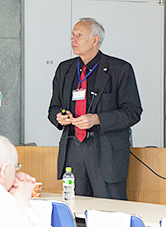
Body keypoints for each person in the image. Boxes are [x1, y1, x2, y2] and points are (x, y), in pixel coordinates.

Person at [48, 18, 142, 200]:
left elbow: (132, 112)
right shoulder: (64, 70)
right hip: (73, 151)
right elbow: (54, 108)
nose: (72, 40)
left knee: (110, 213)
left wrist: (97, 119)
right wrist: (59, 117)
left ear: (95, 40)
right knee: (76, 209)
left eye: (79, 35)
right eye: (72, 35)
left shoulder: (120, 69)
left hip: (107, 153)